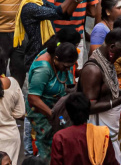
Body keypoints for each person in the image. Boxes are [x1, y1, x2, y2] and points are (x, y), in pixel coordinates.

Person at [79, 28, 121, 160]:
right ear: (112, 47)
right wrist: (120, 100)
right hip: (98, 137)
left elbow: (108, 90)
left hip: (108, 134)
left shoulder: (107, 61)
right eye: (120, 52)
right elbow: (89, 107)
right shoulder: (93, 70)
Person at [25, 31, 80, 159]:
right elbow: (33, 98)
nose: (67, 70)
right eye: (66, 67)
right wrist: (53, 115)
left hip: (55, 108)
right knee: (46, 149)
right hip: (41, 112)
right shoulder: (43, 68)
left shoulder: (59, 59)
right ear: (56, 59)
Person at [49, 93, 118, 165]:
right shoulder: (101, 134)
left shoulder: (60, 137)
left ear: (68, 113)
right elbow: (111, 162)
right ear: (88, 111)